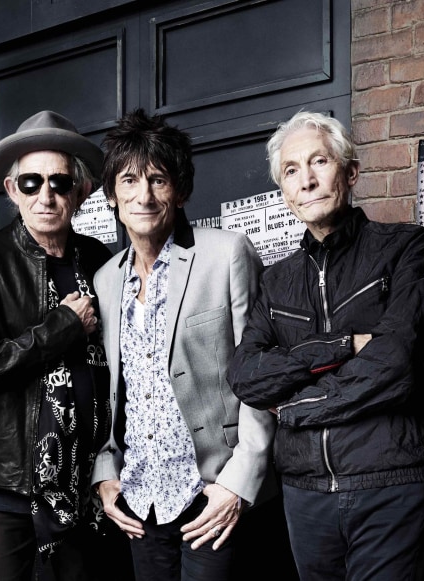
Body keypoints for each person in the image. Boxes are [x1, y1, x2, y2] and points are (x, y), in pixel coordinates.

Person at [227, 110, 424, 580]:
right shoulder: (275, 281)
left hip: (389, 481)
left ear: (350, 172)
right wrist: (344, 345)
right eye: (291, 170)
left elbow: (398, 363)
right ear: (283, 191)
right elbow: (245, 375)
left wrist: (297, 409)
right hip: (304, 495)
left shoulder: (406, 249)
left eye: (319, 162)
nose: (306, 180)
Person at [91, 108, 276, 581]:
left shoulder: (227, 253)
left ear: (181, 189)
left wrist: (239, 483)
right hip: (141, 496)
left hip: (212, 489)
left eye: (158, 179)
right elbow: (112, 390)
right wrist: (104, 475)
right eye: (129, 181)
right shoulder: (106, 280)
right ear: (112, 195)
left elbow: (261, 374)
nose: (144, 195)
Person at [0, 110, 124, 581]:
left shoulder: (102, 259)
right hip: (8, 488)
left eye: (59, 183)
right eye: (30, 183)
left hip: (88, 485)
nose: (45, 196)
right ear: (11, 190)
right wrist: (61, 327)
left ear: (81, 192)